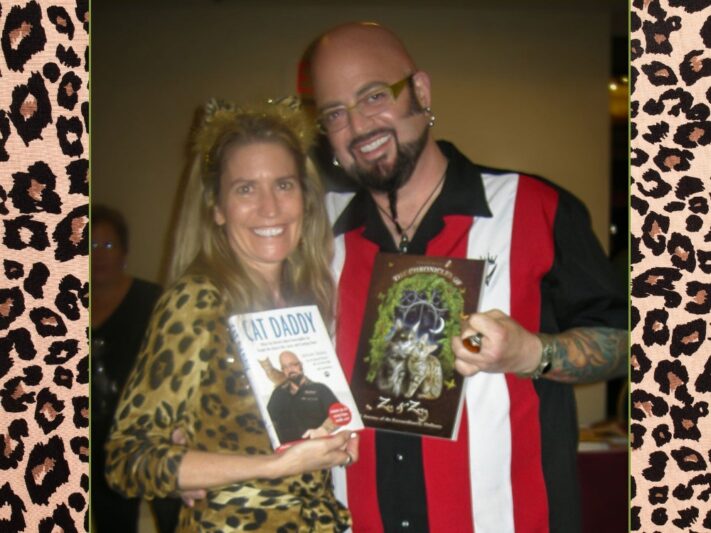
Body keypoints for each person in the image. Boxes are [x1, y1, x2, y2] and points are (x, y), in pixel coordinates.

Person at [306, 22, 628, 533]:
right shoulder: (315, 237)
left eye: (373, 95)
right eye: (335, 113)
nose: (359, 126)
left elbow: (628, 341)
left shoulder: (533, 210)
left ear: (421, 91)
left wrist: (532, 353)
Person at [104, 100, 359, 532]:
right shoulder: (198, 301)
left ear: (305, 197)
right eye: (245, 189)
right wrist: (270, 467)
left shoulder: (307, 297)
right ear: (217, 208)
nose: (270, 209)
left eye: (283, 185)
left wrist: (335, 440)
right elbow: (128, 460)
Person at [91, 205, 181, 533]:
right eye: (90, 246)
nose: (99, 255)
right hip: (98, 439)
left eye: (108, 246)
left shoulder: (154, 300)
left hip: (154, 431)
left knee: (173, 519)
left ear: (125, 252)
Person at [267, 350, 340, 443]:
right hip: (287, 452)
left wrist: (323, 430)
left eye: (293, 365)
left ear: (301, 365)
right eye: (285, 367)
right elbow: (268, 420)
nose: (290, 370)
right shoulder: (278, 393)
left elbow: (339, 415)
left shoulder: (320, 389)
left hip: (318, 447)